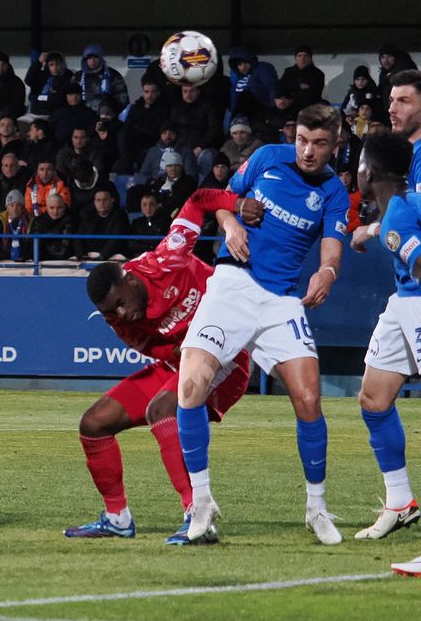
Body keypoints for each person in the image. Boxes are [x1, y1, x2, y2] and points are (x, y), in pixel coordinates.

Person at [175, 103, 350, 545]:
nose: (308, 152)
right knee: (191, 385)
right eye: (303, 141)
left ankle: (317, 508)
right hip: (232, 284)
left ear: (335, 144)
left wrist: (326, 273)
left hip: (281, 302)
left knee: (309, 399)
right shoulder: (269, 157)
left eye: (319, 144)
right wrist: (231, 223)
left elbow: (332, 248)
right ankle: (201, 505)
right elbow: (220, 202)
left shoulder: (333, 193)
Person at [67, 189, 261, 543]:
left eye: (120, 305)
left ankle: (197, 515)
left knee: (163, 407)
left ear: (129, 278)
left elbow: (199, 199)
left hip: (225, 358)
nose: (119, 315)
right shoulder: (119, 321)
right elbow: (164, 352)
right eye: (110, 312)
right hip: (180, 363)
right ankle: (117, 518)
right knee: (93, 424)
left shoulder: (167, 256)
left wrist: (233, 211)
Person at [346, 133, 421, 559]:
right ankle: (400, 502)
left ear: (368, 173)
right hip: (402, 302)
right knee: (374, 399)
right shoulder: (402, 207)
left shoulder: (398, 219)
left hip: (419, 303)